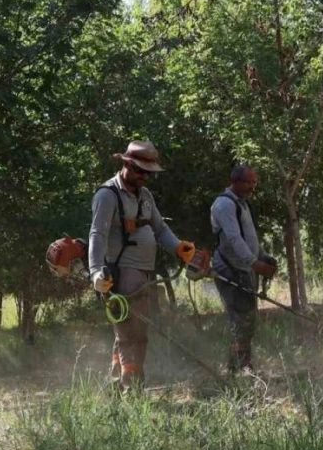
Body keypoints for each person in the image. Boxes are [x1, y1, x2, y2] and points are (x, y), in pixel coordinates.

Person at [88, 140, 197, 389]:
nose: (144, 176)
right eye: (139, 170)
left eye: (148, 173)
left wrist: (177, 246)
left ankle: (117, 382)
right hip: (122, 272)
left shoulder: (144, 195)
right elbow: (97, 234)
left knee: (129, 331)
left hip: (144, 272)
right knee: (132, 334)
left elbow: (160, 228)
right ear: (126, 164)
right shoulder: (107, 195)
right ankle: (132, 388)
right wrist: (95, 272)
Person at [211, 165, 277, 374]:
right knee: (239, 319)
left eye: (254, 182)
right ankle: (236, 369)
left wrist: (263, 256)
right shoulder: (224, 204)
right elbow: (233, 239)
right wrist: (255, 264)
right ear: (236, 181)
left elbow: (249, 238)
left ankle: (243, 365)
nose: (252, 187)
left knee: (247, 319)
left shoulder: (242, 205)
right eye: (249, 182)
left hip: (243, 268)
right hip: (231, 269)